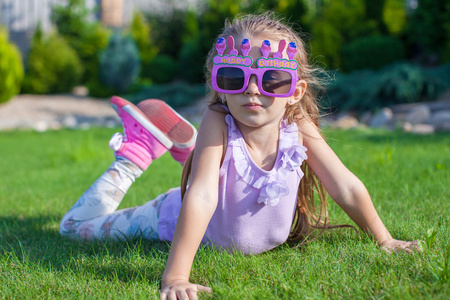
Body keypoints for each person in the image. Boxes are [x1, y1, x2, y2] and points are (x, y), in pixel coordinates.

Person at [60, 13, 419, 300]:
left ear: (295, 91)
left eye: (272, 80)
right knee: (74, 230)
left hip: (210, 194)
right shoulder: (218, 120)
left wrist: (384, 238)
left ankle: (194, 154)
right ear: (219, 83)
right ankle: (136, 154)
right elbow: (201, 195)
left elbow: (344, 185)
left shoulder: (298, 126)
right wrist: (176, 276)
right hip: (169, 216)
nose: (251, 89)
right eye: (234, 76)